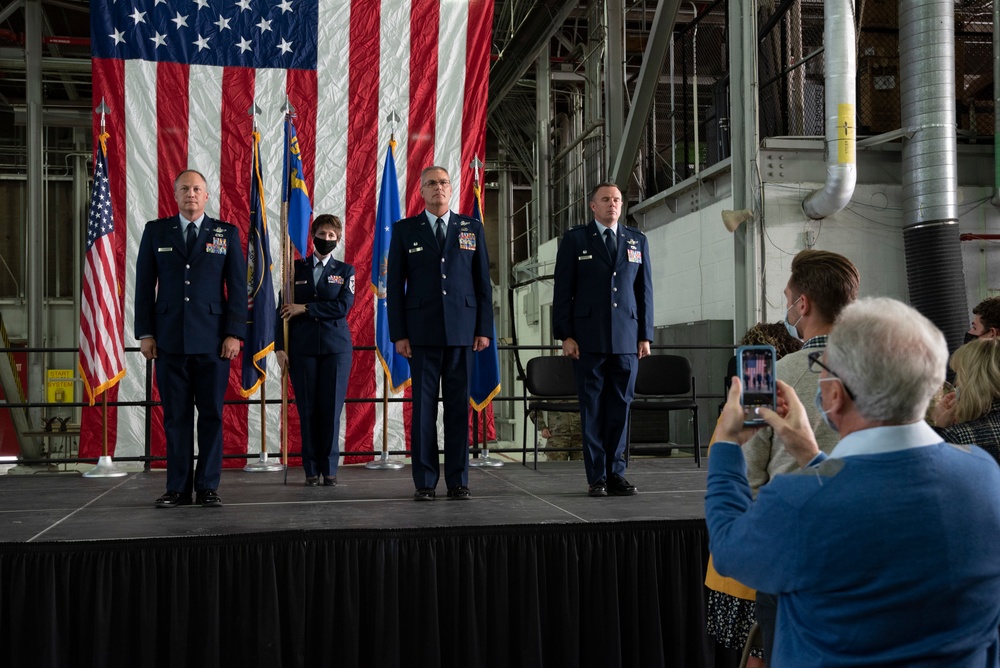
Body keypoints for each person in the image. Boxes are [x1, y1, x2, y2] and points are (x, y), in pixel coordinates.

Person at [707, 297, 1000, 666]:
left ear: (836, 394)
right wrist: (812, 456)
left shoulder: (799, 501)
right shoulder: (985, 475)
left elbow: (729, 549)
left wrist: (726, 445)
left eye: (822, 368)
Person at [740, 249, 859, 659]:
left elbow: (749, 471)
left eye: (788, 297)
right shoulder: (885, 369)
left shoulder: (770, 374)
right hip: (863, 539)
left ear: (802, 304)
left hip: (790, 544)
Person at [134, 170, 246, 508]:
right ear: (175, 194)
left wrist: (234, 333)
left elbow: (238, 289)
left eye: (197, 189)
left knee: (211, 415)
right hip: (169, 342)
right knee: (175, 417)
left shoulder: (225, 233)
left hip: (214, 342)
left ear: (207, 195)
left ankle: (208, 486)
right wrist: (146, 332)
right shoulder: (156, 232)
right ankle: (178, 488)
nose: (191, 194)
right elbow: (143, 287)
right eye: (185, 188)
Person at [387, 166, 493, 501]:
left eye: (444, 183)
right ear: (421, 191)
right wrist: (399, 334)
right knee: (423, 410)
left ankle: (459, 480)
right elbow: (394, 286)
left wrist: (483, 329)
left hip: (463, 332)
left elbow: (482, 284)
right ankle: (425, 482)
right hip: (421, 334)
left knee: (459, 409)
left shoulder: (471, 228)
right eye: (431, 183)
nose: (439, 188)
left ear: (452, 189)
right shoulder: (406, 230)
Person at [705, 322, 801, 665]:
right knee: (762, 653)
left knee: (757, 653)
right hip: (763, 561)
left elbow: (731, 485)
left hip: (744, 561)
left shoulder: (740, 414)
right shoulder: (780, 411)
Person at [552, 181, 654, 497]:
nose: (612, 204)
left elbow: (644, 291)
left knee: (620, 408)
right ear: (593, 205)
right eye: (605, 199)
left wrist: (645, 335)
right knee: (593, 409)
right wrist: (565, 335)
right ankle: (597, 476)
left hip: (626, 339)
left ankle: (616, 474)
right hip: (587, 340)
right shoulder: (575, 239)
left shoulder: (636, 240)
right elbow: (563, 292)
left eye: (617, 199)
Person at [275, 214, 355, 487]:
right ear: (313, 236)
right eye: (322, 234)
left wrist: (306, 308)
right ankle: (310, 469)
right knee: (308, 410)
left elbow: (342, 307)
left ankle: (330, 469)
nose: (327, 239)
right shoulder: (293, 269)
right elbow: (281, 311)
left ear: (338, 239)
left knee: (331, 410)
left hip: (336, 349)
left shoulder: (346, 271)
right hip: (302, 348)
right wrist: (279, 348)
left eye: (332, 235)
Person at [931, 338, 1000, 464]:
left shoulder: (959, 436)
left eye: (960, 375)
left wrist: (940, 428)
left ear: (975, 380)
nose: (956, 383)